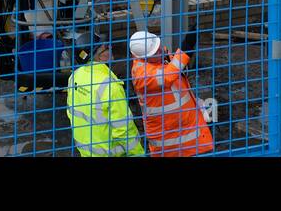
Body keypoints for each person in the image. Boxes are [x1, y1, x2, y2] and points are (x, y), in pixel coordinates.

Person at [128, 25, 213, 157]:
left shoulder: (157, 58)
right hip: (169, 141)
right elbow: (168, 75)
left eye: (159, 46)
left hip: (182, 128)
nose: (160, 51)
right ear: (143, 57)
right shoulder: (142, 75)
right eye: (155, 52)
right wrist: (186, 49)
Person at [66, 39, 145, 157]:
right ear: (100, 57)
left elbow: (72, 113)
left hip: (86, 150)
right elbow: (123, 130)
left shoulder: (75, 76)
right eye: (106, 47)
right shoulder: (110, 86)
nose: (110, 48)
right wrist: (137, 153)